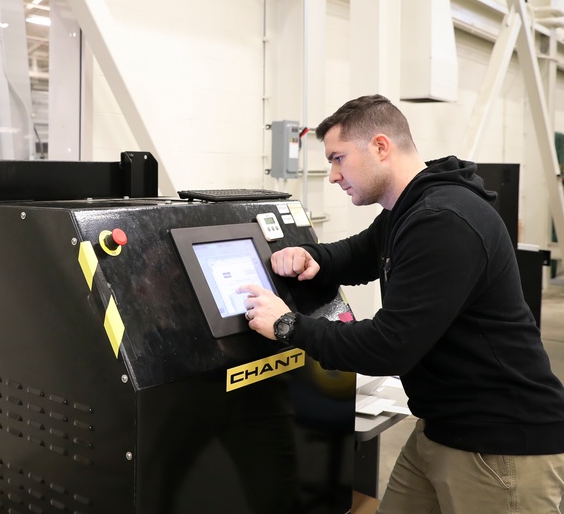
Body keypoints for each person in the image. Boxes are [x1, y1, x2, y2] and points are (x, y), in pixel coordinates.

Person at [239, 94, 564, 513]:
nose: (333, 175)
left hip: (498, 443)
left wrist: (289, 326)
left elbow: (389, 345)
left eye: (339, 158)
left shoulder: (443, 219)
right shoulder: (407, 212)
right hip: (439, 427)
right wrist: (310, 257)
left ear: (380, 146)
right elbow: (356, 254)